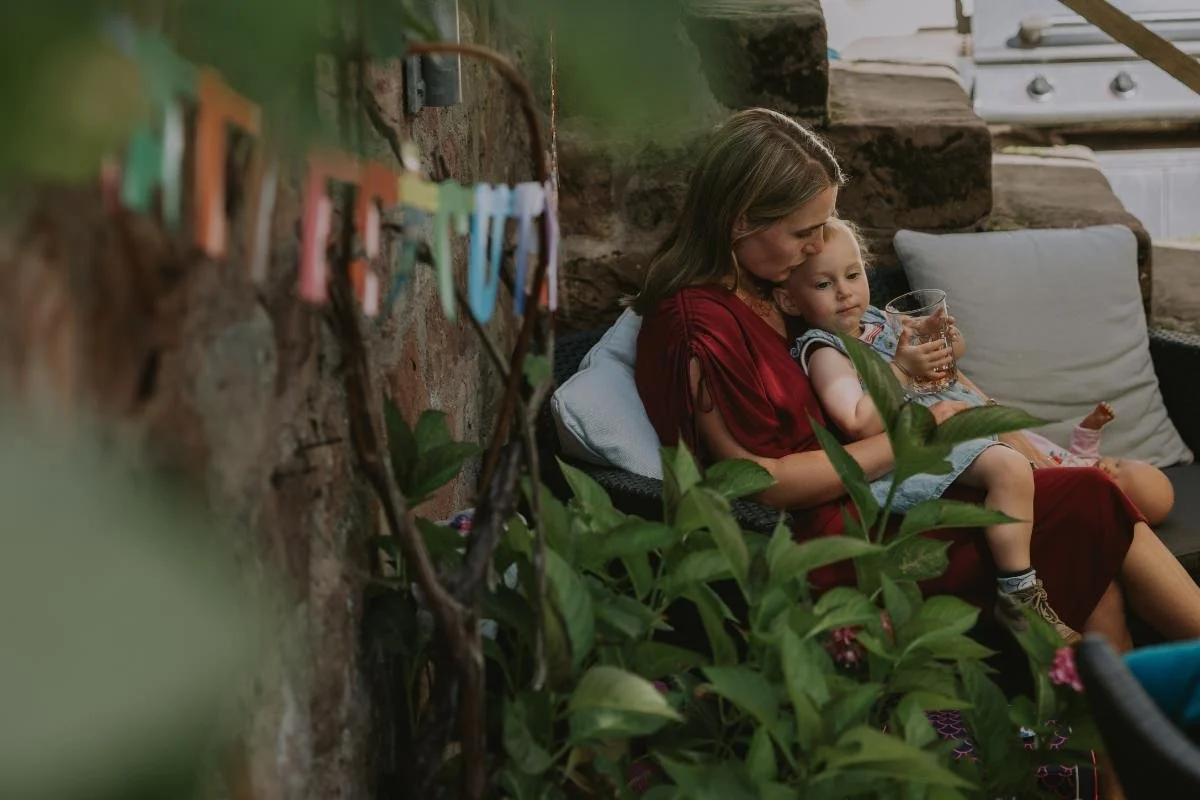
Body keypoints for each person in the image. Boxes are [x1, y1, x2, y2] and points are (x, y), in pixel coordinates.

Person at [631, 107, 1200, 669]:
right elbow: (763, 481)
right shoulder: (697, 330)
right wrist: (920, 432)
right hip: (843, 534)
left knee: (1089, 549)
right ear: (739, 221)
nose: (815, 246)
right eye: (804, 233)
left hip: (889, 485)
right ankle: (1134, 734)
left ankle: (1115, 746)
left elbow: (870, 351)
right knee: (1093, 502)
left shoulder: (767, 284)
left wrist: (953, 388)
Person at [775, 218, 1077, 643]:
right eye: (823, 285)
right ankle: (1018, 594)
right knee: (1009, 470)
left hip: (950, 428)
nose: (844, 291)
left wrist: (945, 341)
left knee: (1044, 475)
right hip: (912, 451)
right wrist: (900, 370)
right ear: (789, 301)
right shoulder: (825, 349)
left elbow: (945, 359)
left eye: (853, 274)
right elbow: (857, 421)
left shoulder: (880, 320)